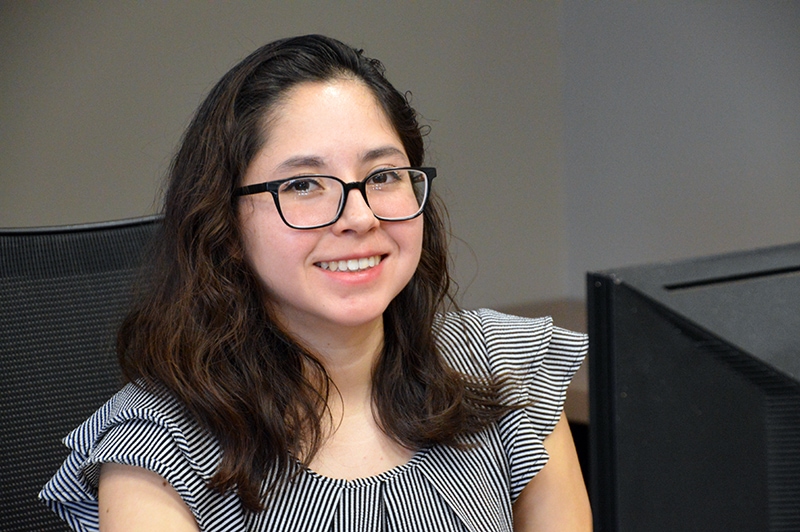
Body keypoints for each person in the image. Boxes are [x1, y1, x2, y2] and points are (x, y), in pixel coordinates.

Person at [40, 34, 591, 531]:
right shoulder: (157, 453)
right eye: (304, 184)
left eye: (382, 176)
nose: (358, 216)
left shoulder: (507, 372)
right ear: (225, 225)